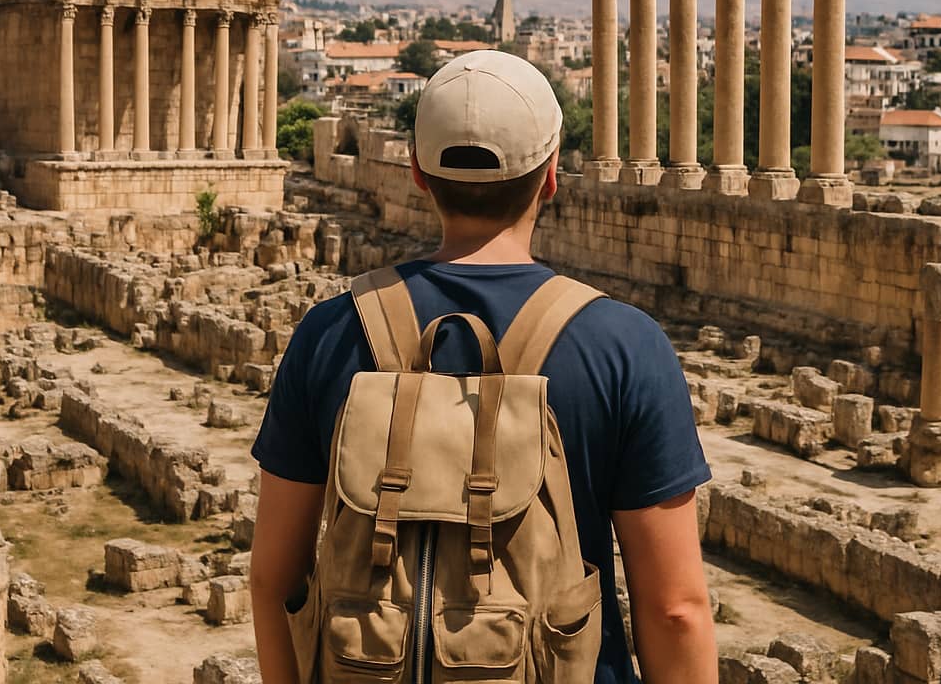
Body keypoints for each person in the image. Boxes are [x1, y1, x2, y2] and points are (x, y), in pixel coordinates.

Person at [250, 49, 717, 684]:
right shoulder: (624, 347)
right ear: (551, 175)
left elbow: (274, 582)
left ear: (417, 173)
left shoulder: (329, 334)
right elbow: (675, 611)